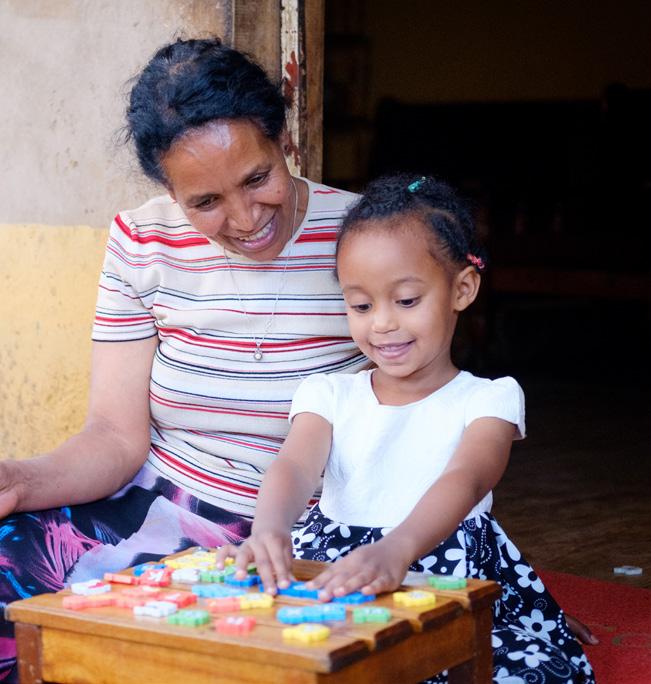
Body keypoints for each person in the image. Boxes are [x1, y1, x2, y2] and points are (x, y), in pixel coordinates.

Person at [0, 36, 593, 683]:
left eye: (257, 178)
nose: (245, 217)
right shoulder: (141, 241)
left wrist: (479, 571)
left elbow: (432, 406)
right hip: (164, 510)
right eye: (205, 202)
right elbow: (114, 436)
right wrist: (21, 480)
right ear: (169, 189)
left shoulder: (366, 239)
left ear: (283, 140)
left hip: (316, 538)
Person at [217, 174, 595, 683]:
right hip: (336, 562)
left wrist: (399, 547)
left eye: (407, 300)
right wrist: (269, 528)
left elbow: (467, 479)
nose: (382, 325)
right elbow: (294, 465)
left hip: (442, 565)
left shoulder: (489, 398)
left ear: (462, 289)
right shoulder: (328, 393)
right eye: (361, 305)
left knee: (520, 668)